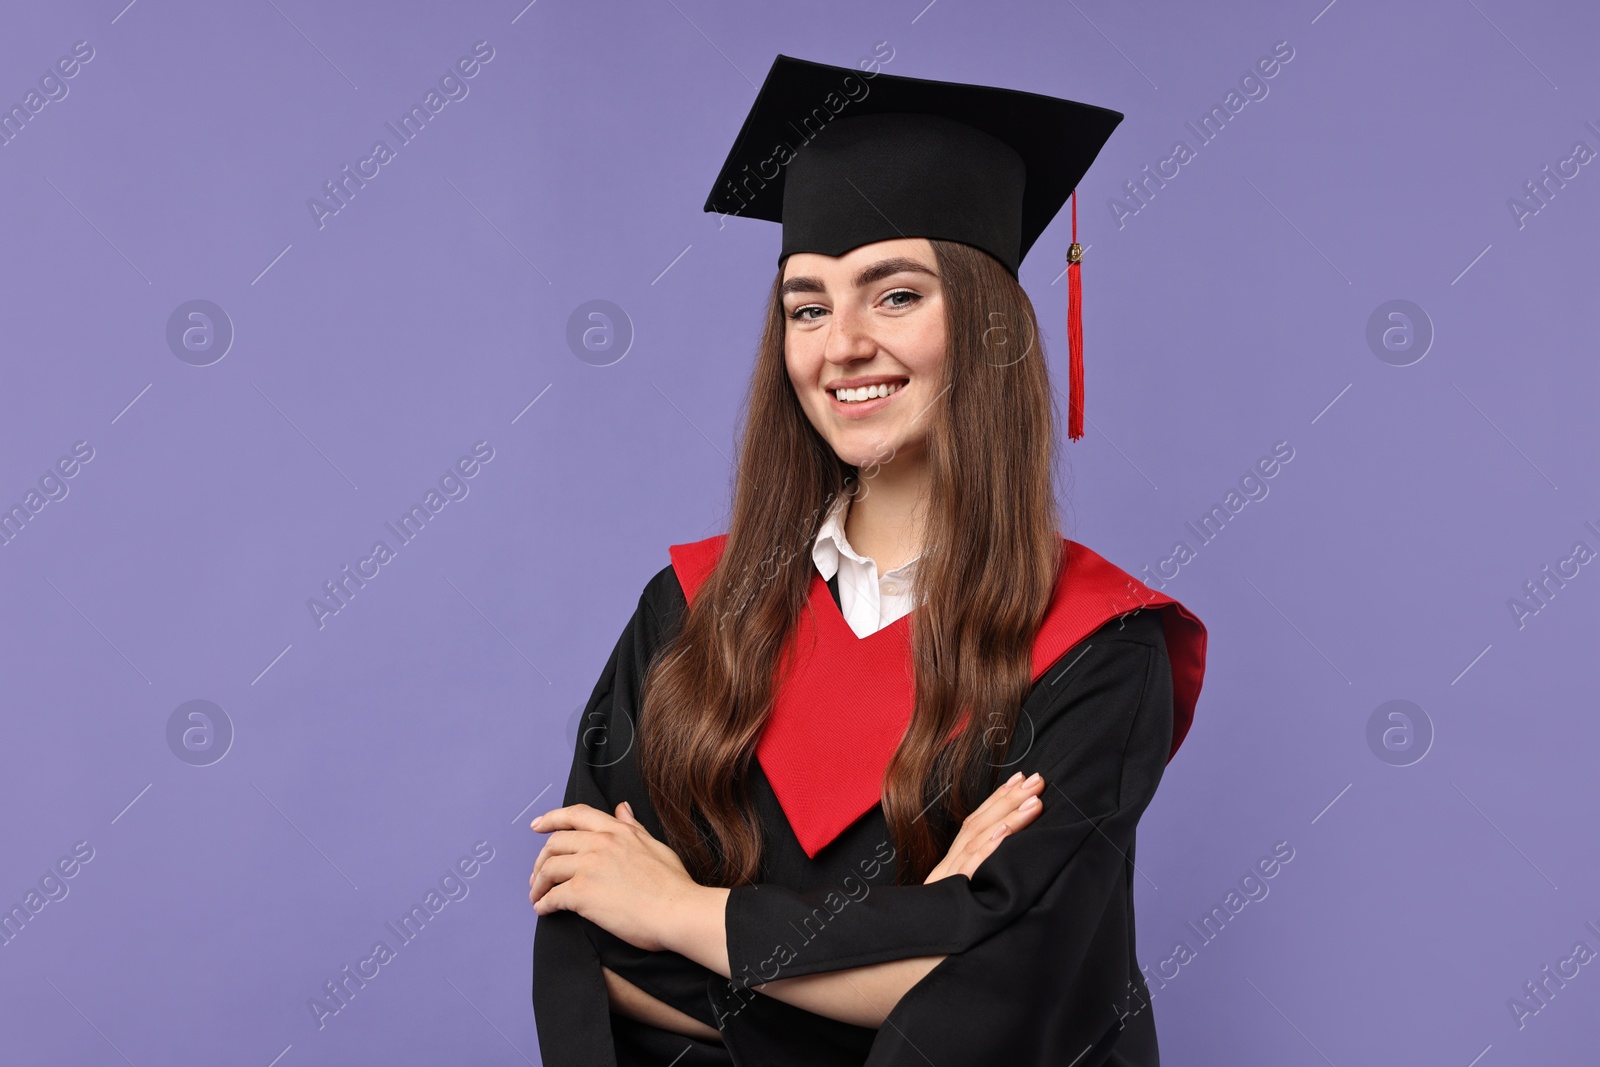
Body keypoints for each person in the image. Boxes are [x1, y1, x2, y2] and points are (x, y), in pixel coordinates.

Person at [529, 54, 1208, 1066]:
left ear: (985, 326)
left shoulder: (1099, 650)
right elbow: (588, 945)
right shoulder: (689, 613)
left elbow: (1025, 998)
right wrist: (922, 944)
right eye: (806, 306)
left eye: (893, 296)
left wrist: (679, 910)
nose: (839, 342)